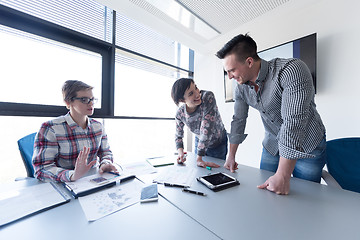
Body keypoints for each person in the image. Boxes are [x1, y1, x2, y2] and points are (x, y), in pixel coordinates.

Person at [216, 34, 326, 195]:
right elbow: (238, 120)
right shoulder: (241, 87)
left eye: (232, 70)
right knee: (266, 192)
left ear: (249, 61)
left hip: (307, 144)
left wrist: (283, 175)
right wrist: (230, 155)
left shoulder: (291, 70)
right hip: (272, 143)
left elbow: (292, 123)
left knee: (304, 197)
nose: (230, 76)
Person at [32, 80, 118, 182]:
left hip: (93, 181)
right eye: (84, 99)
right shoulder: (50, 128)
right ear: (68, 102)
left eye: (92, 99)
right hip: (64, 183)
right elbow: (42, 169)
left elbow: (105, 152)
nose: (91, 103)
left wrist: (105, 163)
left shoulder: (98, 126)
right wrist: (72, 175)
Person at [171, 78, 228, 168]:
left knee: (217, 172)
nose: (197, 94)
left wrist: (199, 157)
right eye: (191, 94)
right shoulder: (180, 113)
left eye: (196, 88)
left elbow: (207, 128)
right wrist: (180, 154)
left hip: (217, 142)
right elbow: (178, 136)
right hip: (199, 142)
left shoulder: (207, 97)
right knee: (200, 170)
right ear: (182, 100)